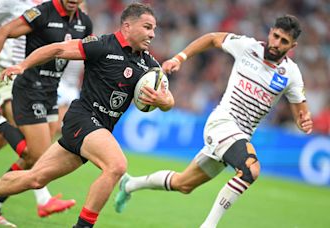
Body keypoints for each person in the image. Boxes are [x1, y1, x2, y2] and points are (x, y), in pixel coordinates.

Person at [0, 3, 174, 227]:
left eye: (153, 29)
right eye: (147, 27)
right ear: (127, 26)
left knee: (34, 179)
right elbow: (56, 49)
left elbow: (168, 98)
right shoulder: (102, 45)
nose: (152, 34)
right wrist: (23, 66)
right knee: (116, 165)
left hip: (99, 127)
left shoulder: (148, 64)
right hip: (83, 119)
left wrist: (165, 102)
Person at [114, 15, 313, 228]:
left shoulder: (291, 74)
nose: (276, 43)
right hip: (222, 123)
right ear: (270, 32)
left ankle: (130, 184)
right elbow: (211, 38)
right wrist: (179, 58)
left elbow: (301, 110)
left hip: (240, 136)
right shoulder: (247, 47)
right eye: (275, 36)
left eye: (283, 41)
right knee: (250, 169)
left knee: (183, 184)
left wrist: (305, 120)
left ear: (293, 45)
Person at [0, 0, 94, 226]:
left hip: (51, 91)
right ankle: (42, 199)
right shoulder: (41, 11)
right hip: (27, 87)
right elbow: (2, 31)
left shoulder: (85, 22)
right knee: (41, 154)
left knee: (12, 150)